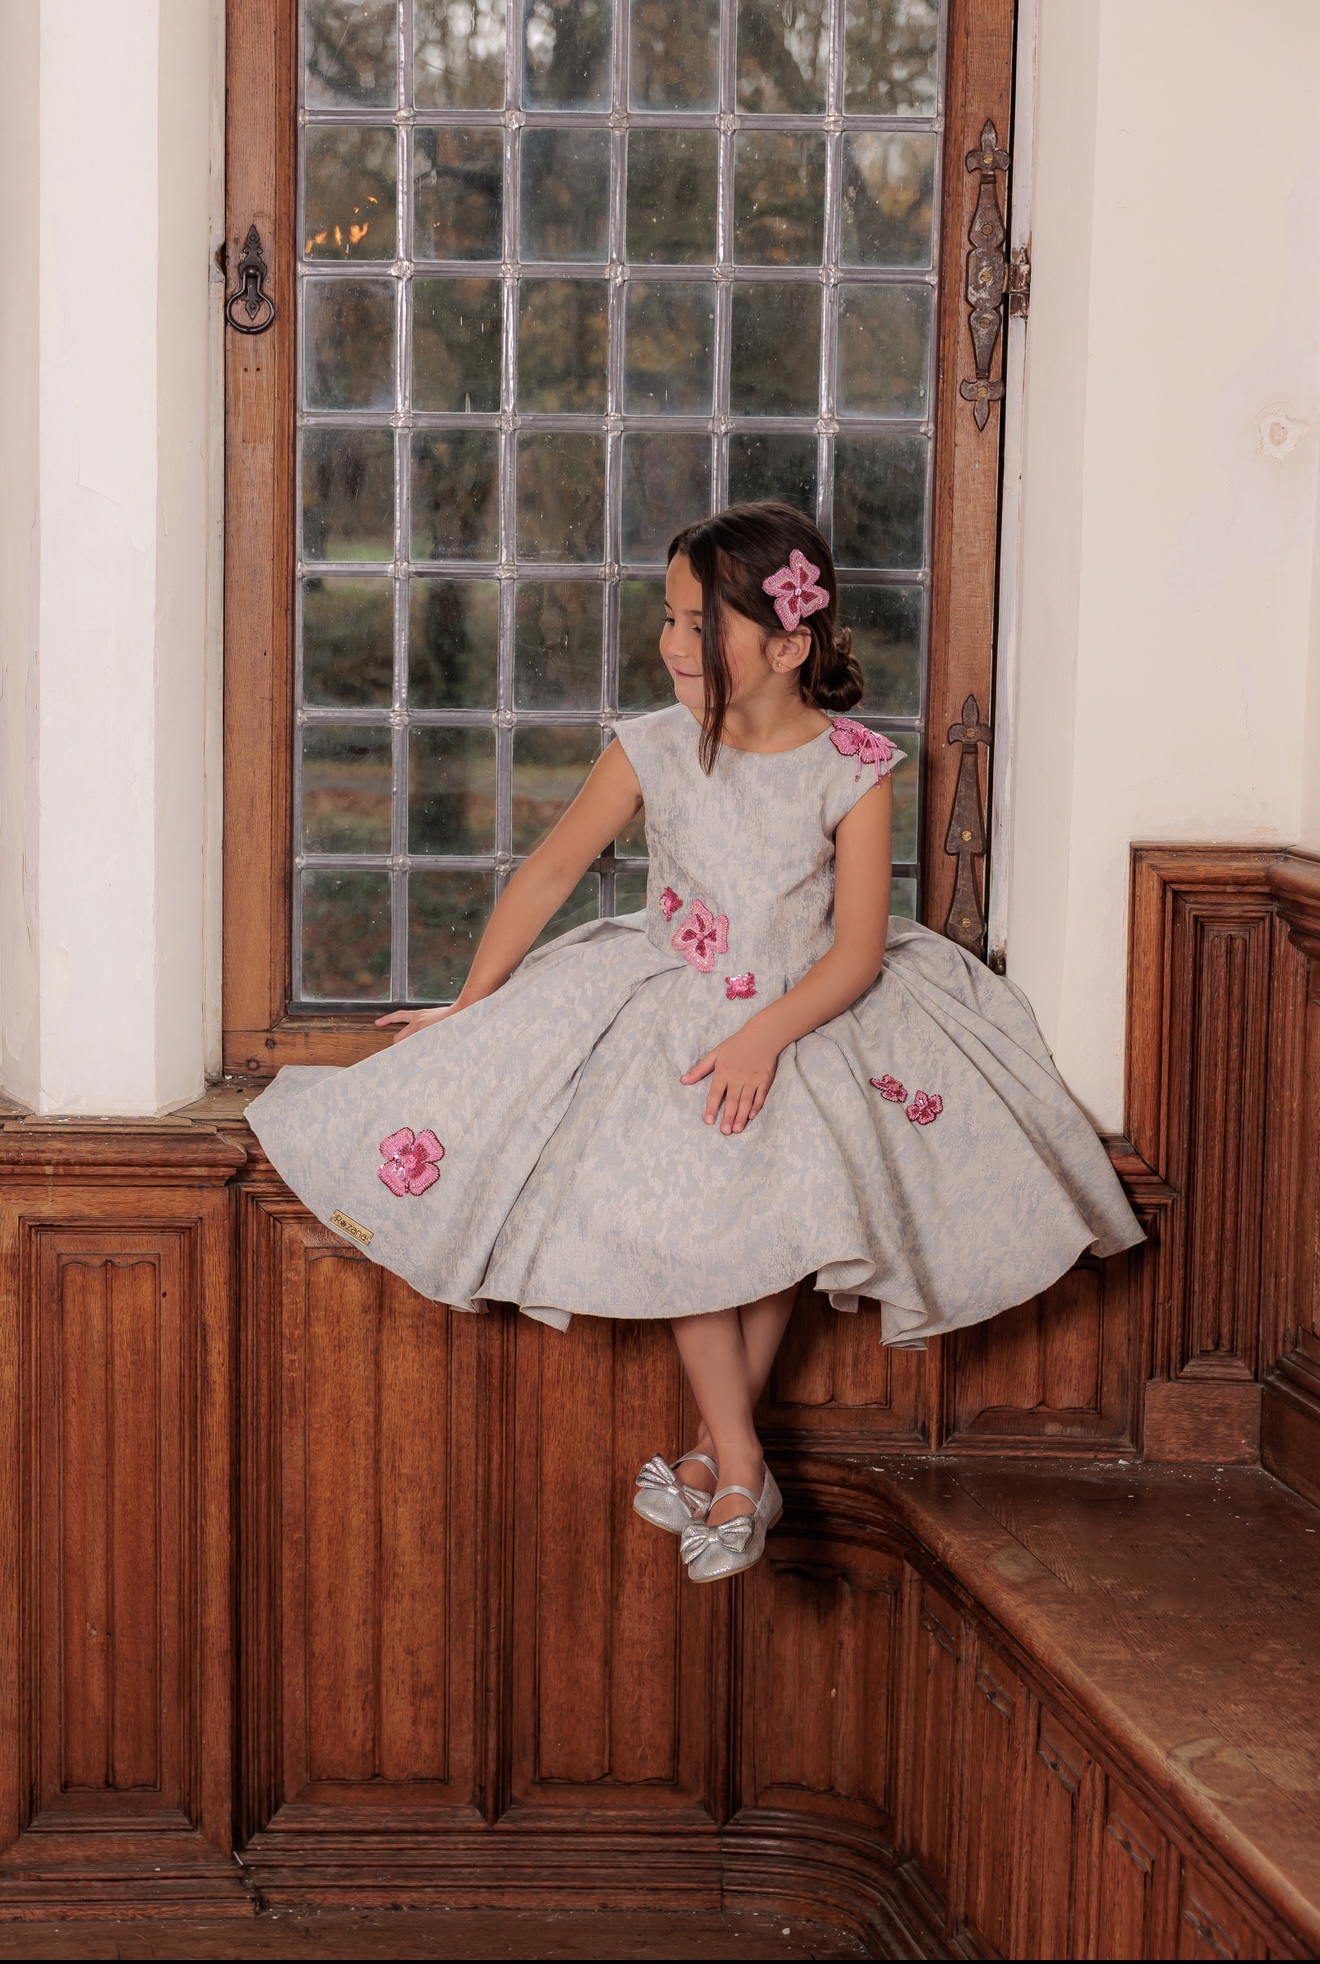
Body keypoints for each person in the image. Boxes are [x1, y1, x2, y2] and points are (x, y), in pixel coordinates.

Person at [248, 502, 1141, 1583]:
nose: (673, 643)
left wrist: (765, 1036)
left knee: (772, 1200)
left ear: (789, 645)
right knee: (692, 1206)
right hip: (669, 996)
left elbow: (859, 948)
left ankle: (721, 1457)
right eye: (668, 617)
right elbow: (549, 871)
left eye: (699, 625)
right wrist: (468, 1002)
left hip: (811, 1006)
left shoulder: (854, 766)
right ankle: (741, 1460)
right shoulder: (654, 746)